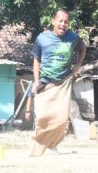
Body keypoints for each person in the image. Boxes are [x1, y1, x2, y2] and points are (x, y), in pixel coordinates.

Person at [27, 9, 86, 156]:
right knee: (42, 117)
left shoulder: (73, 38)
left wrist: (77, 66)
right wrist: (35, 81)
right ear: (54, 21)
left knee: (61, 119)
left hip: (63, 81)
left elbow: (83, 49)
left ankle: (52, 145)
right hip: (45, 81)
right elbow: (36, 60)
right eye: (60, 21)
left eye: (66, 22)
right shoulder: (42, 38)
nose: (63, 24)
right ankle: (39, 144)